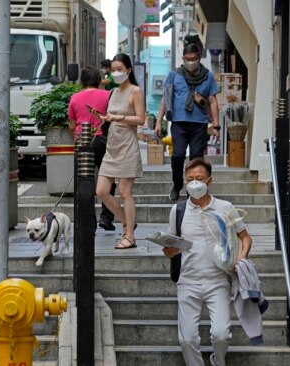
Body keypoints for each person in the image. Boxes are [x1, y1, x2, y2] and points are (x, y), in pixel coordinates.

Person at [162, 158, 252, 366]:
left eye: (199, 178)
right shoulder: (178, 210)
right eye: (190, 179)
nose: (195, 183)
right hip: (188, 281)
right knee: (187, 339)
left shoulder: (225, 207)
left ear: (209, 181)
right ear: (184, 182)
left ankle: (218, 361)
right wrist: (169, 251)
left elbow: (245, 237)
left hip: (218, 281)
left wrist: (241, 258)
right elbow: (171, 248)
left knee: (221, 335)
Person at [154, 43, 221, 202]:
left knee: (197, 157)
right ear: (183, 58)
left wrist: (216, 125)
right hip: (179, 122)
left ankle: (194, 190)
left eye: (194, 59)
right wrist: (158, 122)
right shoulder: (174, 75)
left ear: (199, 58)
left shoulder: (208, 76)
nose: (190, 62)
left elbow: (212, 101)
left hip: (199, 124)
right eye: (187, 59)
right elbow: (165, 99)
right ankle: (177, 185)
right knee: (177, 155)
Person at [94, 53, 145, 249]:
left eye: (119, 69)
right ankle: (126, 223)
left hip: (127, 145)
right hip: (112, 145)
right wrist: (103, 117)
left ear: (129, 70)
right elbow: (111, 117)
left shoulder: (135, 91)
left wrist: (117, 117)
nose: (115, 73)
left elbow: (140, 119)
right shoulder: (112, 92)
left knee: (125, 192)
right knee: (101, 191)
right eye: (113, 69)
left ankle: (130, 236)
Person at [67, 66, 116, 230]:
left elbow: (72, 125)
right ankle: (106, 217)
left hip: (82, 142)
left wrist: (75, 139)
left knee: (84, 181)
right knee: (108, 177)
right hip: (102, 139)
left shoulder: (75, 98)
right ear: (98, 80)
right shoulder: (107, 95)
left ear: (82, 81)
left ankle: (88, 221)